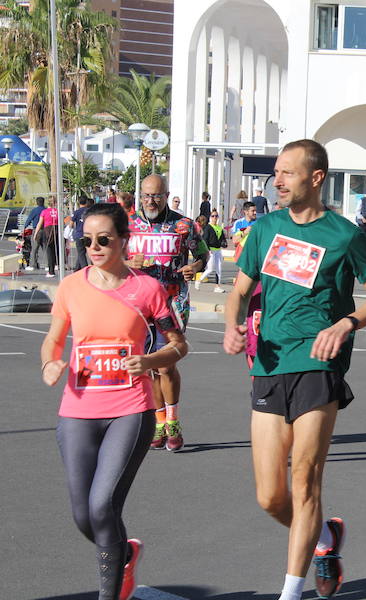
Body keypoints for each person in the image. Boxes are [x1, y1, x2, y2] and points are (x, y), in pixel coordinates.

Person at [223, 139, 366, 600]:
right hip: (269, 364)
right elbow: (239, 290)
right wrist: (232, 325)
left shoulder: (344, 235)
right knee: (269, 496)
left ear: (315, 178)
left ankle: (291, 592)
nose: (276, 181)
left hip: (319, 366)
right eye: (275, 173)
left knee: (305, 481)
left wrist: (346, 323)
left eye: (287, 173)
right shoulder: (264, 229)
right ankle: (323, 540)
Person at [40, 202, 188, 600]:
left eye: (104, 239)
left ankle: (110, 593)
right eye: (86, 240)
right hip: (77, 410)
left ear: (124, 240)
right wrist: (50, 363)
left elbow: (178, 346)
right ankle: (123, 554)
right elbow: (54, 339)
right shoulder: (72, 286)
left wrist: (150, 359)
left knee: (103, 506)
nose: (94, 246)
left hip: (131, 408)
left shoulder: (148, 289)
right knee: (83, 515)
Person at [127, 174, 209, 452]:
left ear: (166, 195)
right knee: (148, 365)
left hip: (172, 300)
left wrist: (195, 266)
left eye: (157, 196)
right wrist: (128, 262)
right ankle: (159, 422)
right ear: (140, 195)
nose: (151, 201)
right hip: (137, 302)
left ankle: (172, 421)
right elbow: (109, 260)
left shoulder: (183, 224)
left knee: (165, 364)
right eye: (147, 195)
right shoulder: (127, 225)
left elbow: (203, 255)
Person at [196, 211, 227, 293]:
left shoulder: (219, 228)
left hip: (218, 250)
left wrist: (224, 243)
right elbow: (205, 239)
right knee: (210, 269)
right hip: (211, 250)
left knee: (219, 269)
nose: (215, 218)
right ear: (210, 217)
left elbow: (223, 239)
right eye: (213, 216)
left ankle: (217, 286)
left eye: (216, 216)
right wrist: (207, 250)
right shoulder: (208, 227)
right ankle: (199, 281)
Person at [33, 197, 60, 277]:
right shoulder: (58, 211)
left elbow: (40, 223)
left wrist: (35, 234)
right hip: (56, 230)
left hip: (47, 231)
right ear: (55, 203)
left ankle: (51, 271)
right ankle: (56, 265)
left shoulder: (44, 212)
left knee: (49, 251)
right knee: (56, 250)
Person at [23, 196, 46, 270]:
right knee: (46, 248)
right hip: (46, 230)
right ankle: (48, 265)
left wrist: (24, 227)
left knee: (34, 249)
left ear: (37, 202)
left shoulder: (34, 210)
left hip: (37, 230)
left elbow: (29, 219)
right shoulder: (46, 210)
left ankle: (33, 265)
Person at [71, 195, 94, 270]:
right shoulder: (90, 211)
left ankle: (85, 269)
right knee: (85, 252)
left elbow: (71, 224)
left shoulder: (76, 212)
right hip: (89, 235)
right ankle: (77, 269)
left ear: (78, 202)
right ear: (86, 202)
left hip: (79, 234)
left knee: (81, 254)